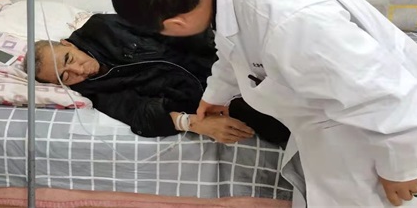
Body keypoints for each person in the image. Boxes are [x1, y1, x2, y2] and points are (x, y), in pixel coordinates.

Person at [110, 0, 417, 208]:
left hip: (380, 134)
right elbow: (233, 47)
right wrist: (216, 94)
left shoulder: (291, 20)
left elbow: (385, 96)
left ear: (175, 24)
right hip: (341, 119)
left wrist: (401, 168)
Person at [30, 12, 289, 145]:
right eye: (66, 77)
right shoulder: (94, 92)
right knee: (279, 125)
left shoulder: (102, 27)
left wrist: (229, 52)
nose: (79, 71)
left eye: (69, 59)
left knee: (286, 71)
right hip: (211, 102)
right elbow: (141, 115)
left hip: (220, 60)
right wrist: (195, 124)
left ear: (67, 43)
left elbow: (172, 28)